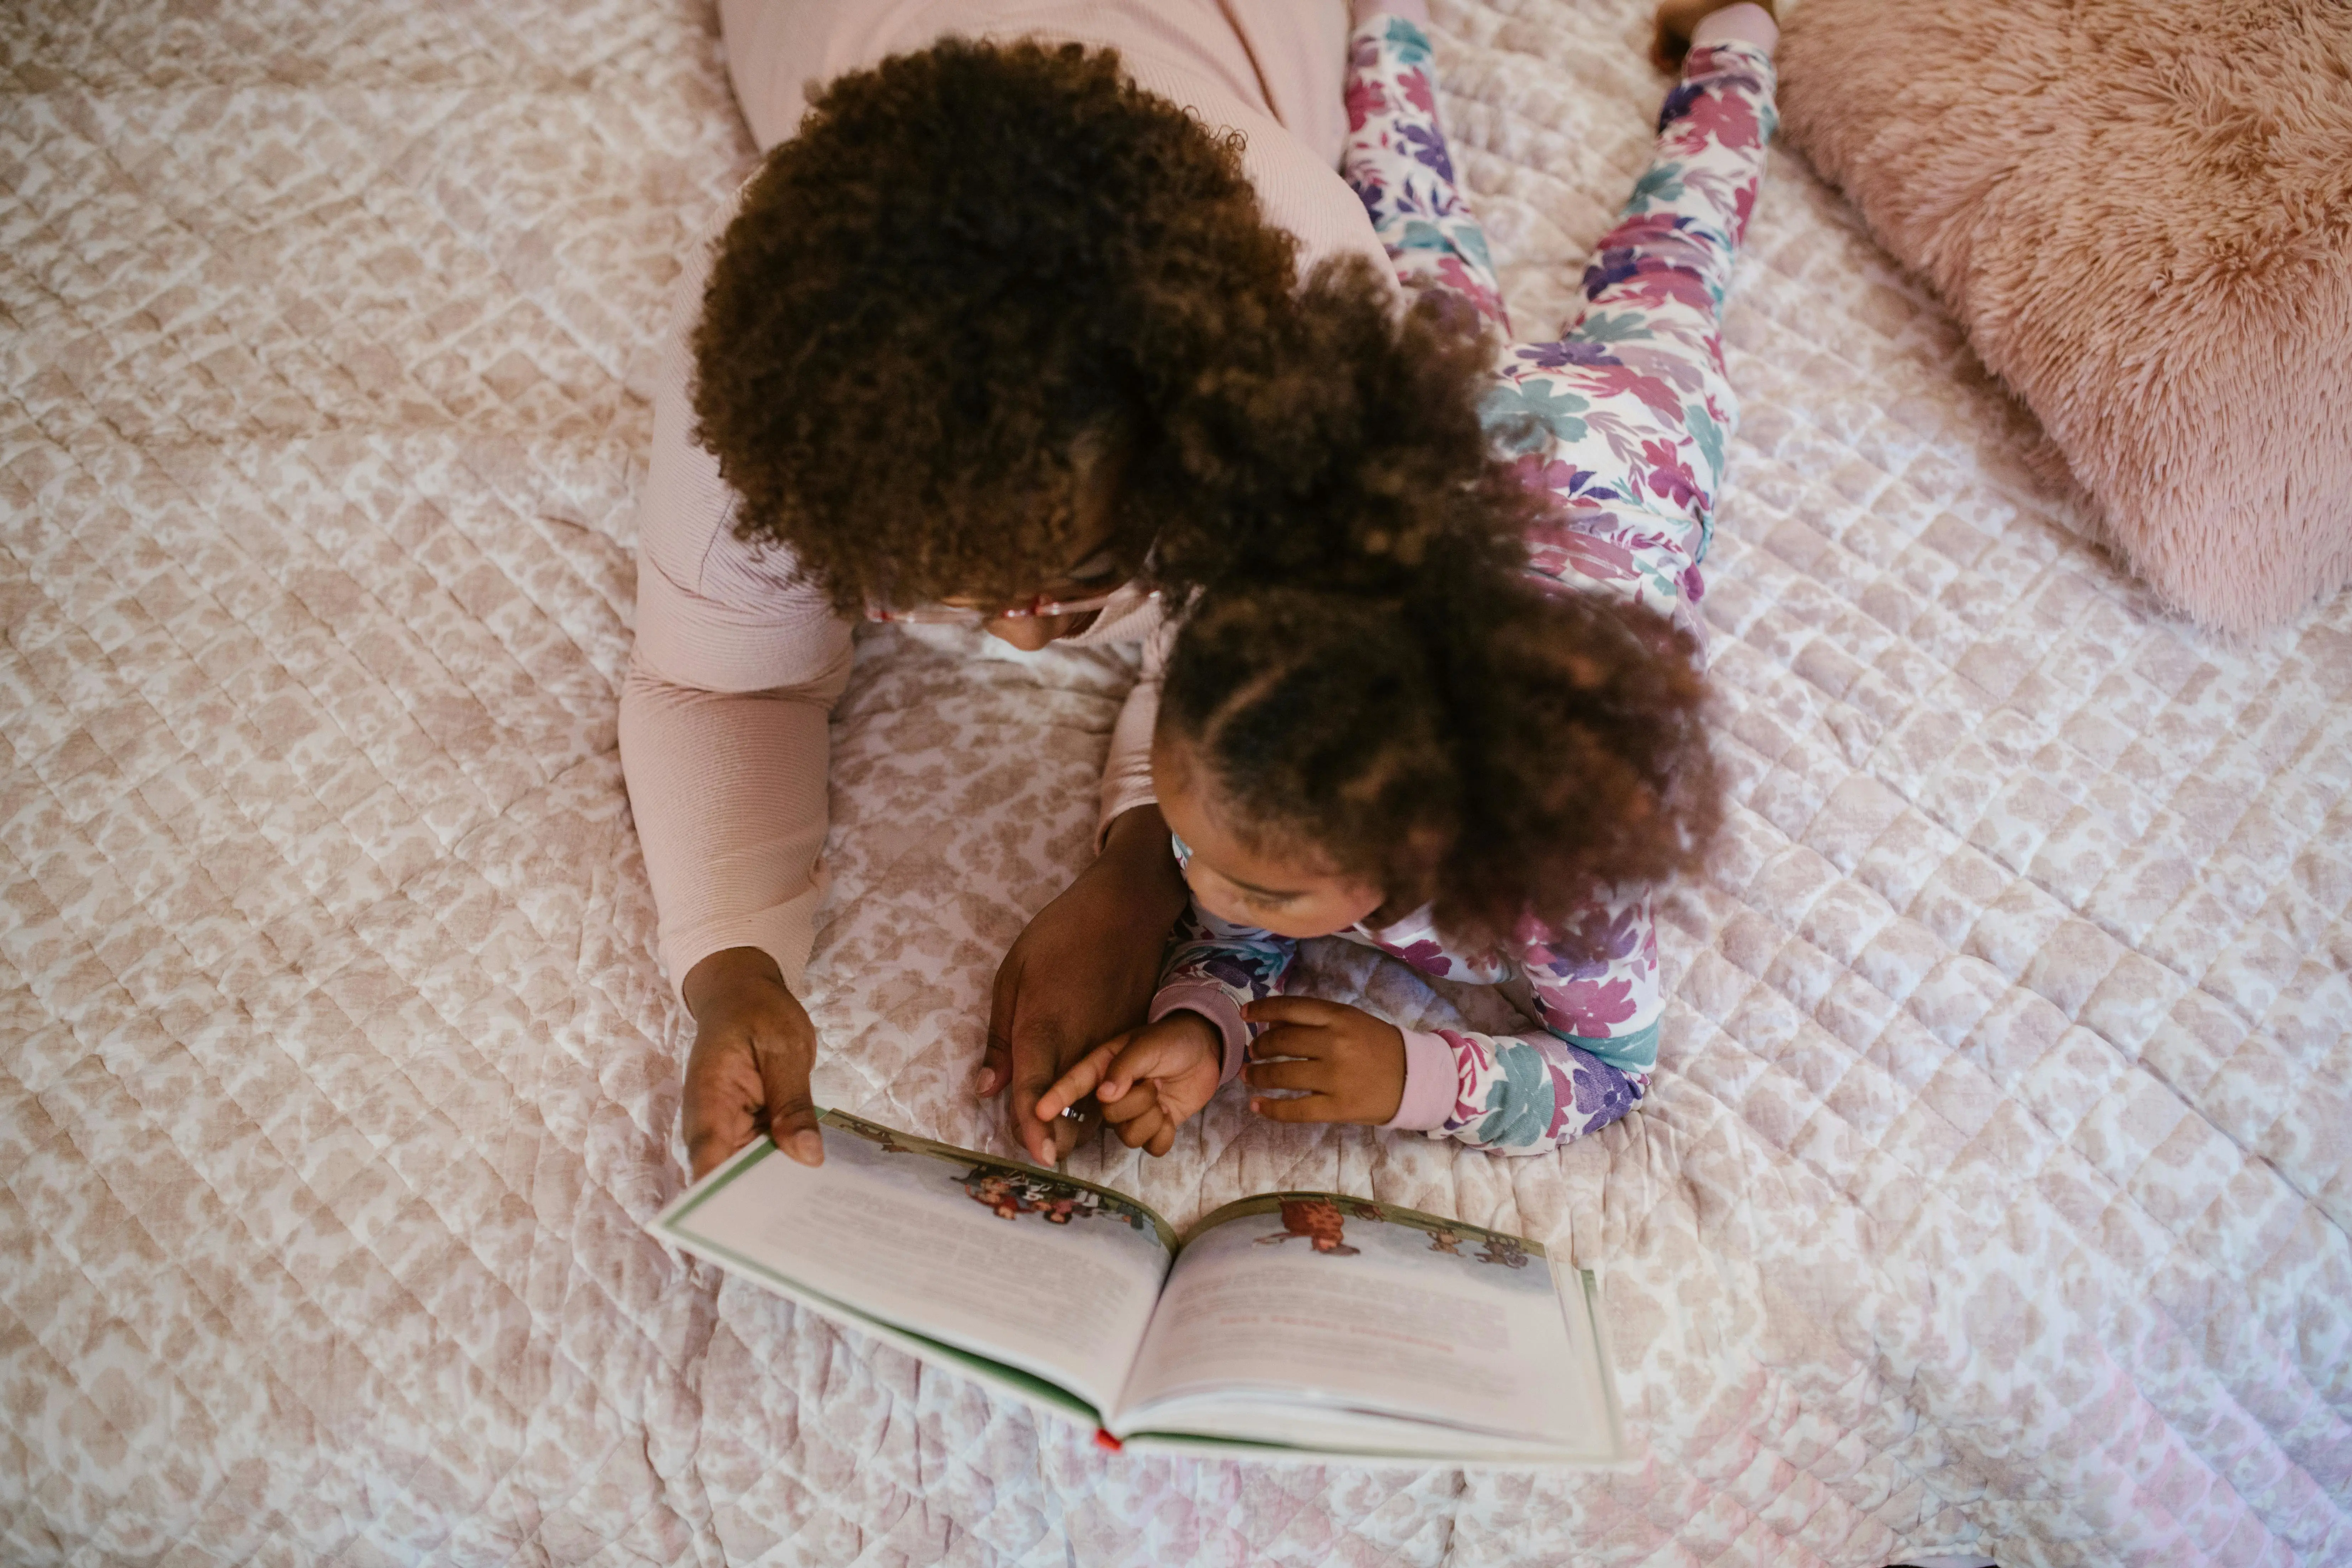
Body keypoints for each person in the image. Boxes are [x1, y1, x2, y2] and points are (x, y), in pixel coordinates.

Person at [626, 1, 1428, 1178]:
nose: (1017, 638)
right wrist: (734, 967)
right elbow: (712, 684)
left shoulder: (1309, 337)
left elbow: (1268, 660)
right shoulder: (759, 385)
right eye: (939, 594)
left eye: (1083, 581)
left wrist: (1142, 866)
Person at [1034, 0, 1781, 1156]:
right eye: (1188, 845)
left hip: (1636, 420)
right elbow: (1232, 912)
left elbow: (1613, 1069)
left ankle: (1737, 35)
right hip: (1444, 428)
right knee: (1388, 193)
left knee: (1681, 243)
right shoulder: (1250, 757)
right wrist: (1197, 1022)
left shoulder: (1560, 898)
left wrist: (1421, 1075)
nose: (1202, 890)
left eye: (1262, 893)